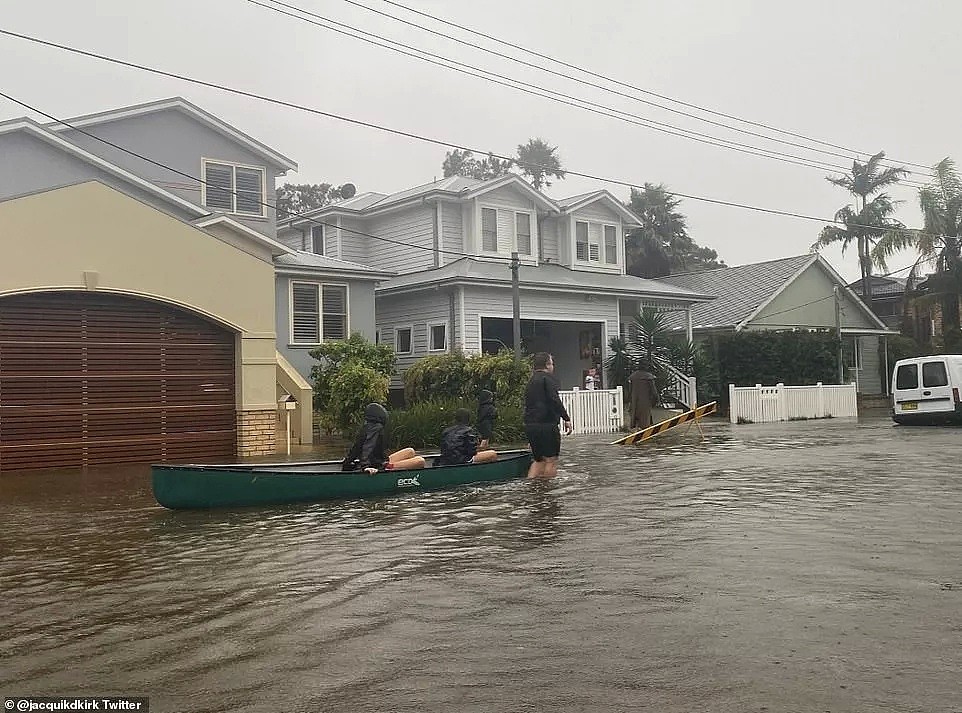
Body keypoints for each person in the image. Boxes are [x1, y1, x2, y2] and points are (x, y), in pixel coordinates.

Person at [523, 352, 573, 479]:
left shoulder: (530, 381)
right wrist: (566, 418)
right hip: (546, 425)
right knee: (551, 460)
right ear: (547, 365)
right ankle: (548, 493)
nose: (553, 366)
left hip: (531, 426)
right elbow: (554, 399)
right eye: (552, 363)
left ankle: (531, 488)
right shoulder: (548, 379)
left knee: (538, 460)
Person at [341, 403, 425, 474]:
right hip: (378, 466)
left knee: (410, 451)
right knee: (420, 461)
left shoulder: (366, 427)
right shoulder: (376, 428)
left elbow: (355, 449)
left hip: (380, 461)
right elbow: (368, 447)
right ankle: (389, 468)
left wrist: (347, 463)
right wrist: (365, 467)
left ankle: (387, 465)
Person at [628, 365, 659, 429]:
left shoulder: (633, 377)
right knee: (645, 423)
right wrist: (656, 401)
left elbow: (630, 391)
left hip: (634, 403)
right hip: (645, 402)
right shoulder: (648, 377)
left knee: (636, 422)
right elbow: (654, 392)